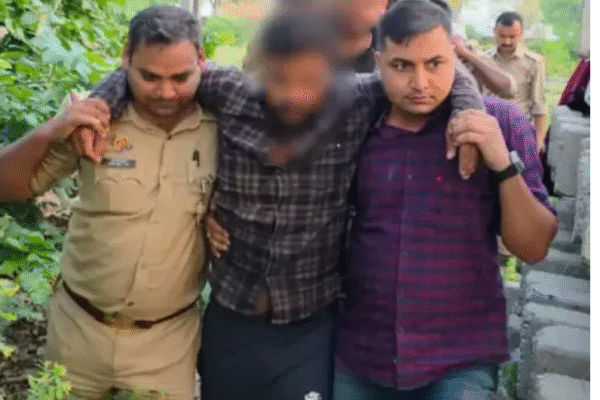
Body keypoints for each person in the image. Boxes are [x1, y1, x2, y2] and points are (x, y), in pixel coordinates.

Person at [83, 7, 486, 399]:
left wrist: (468, 112)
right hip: (231, 320)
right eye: (279, 79)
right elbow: (151, 69)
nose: (294, 94)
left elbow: (440, 69)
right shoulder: (230, 92)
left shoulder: (356, 99)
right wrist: (100, 106)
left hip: (308, 326)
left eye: (309, 80)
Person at [331, 1, 557, 399]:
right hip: (364, 354)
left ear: (456, 55)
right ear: (379, 62)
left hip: (460, 359)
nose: (420, 83)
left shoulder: (500, 123)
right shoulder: (357, 125)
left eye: (435, 63)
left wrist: (501, 162)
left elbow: (534, 247)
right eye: (402, 66)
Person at [0, 6, 217, 399]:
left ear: (202, 61)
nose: (166, 92)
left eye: (180, 78)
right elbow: (11, 186)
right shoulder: (92, 119)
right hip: (77, 335)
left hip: (167, 347)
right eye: (150, 77)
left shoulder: (222, 127)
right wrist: (51, 130)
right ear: (126, 58)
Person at [489, 11, 547, 149]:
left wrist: (537, 144)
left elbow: (539, 106)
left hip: (518, 130)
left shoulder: (533, 63)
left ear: (521, 34)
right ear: (494, 32)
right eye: (502, 36)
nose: (507, 41)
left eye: (512, 36)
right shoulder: (484, 60)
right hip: (488, 129)